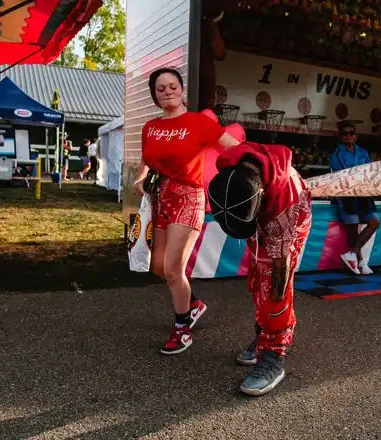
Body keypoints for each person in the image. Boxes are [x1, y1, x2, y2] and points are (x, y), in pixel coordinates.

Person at [133, 67, 240, 355]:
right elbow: (147, 158)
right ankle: (193, 304)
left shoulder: (197, 123)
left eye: (172, 86)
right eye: (160, 88)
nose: (167, 91)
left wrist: (252, 167)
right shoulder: (150, 127)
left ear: (182, 90)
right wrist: (141, 176)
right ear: (155, 95)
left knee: (172, 269)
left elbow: (233, 147)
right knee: (157, 267)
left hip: (189, 197)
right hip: (160, 199)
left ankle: (182, 328)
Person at [208, 142, 311, 396]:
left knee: (274, 288)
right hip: (262, 205)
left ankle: (274, 355)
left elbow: (280, 277)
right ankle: (262, 334)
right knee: (256, 276)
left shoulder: (285, 210)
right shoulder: (231, 172)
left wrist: (273, 314)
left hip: (291, 217)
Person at [330, 121, 380, 275]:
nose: (348, 136)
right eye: (345, 133)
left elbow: (369, 172)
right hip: (347, 196)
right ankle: (360, 262)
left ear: (355, 135)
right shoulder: (336, 155)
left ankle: (352, 255)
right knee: (353, 231)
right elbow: (342, 176)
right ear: (340, 136)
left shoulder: (363, 152)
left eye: (351, 132)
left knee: (375, 222)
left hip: (364, 195)